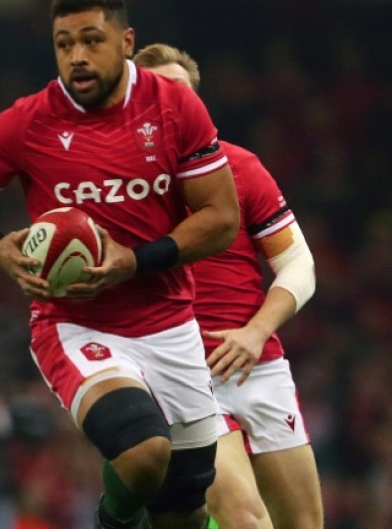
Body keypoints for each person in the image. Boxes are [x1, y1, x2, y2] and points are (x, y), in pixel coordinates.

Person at [0, 1, 240, 528]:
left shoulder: (176, 107)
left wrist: (132, 262)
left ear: (128, 41)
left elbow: (222, 218)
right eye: (64, 45)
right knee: (143, 453)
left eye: (92, 40)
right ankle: (111, 522)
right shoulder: (30, 120)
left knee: (184, 511)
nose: (77, 57)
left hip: (171, 325)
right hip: (76, 325)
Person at [133, 43, 323, 529]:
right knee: (243, 518)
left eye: (183, 93)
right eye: (158, 92)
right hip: (181, 370)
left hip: (258, 365)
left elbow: (298, 264)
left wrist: (256, 332)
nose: (173, 103)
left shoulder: (240, 167)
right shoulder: (119, 185)